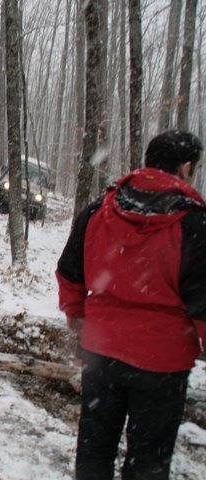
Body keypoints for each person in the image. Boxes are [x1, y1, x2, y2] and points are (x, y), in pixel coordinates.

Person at [56, 129, 206, 480]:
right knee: (148, 458)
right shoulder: (194, 223)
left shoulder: (100, 208)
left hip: (101, 351)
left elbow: (69, 273)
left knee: (94, 445)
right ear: (185, 167)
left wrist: (78, 320)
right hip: (162, 362)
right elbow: (202, 302)